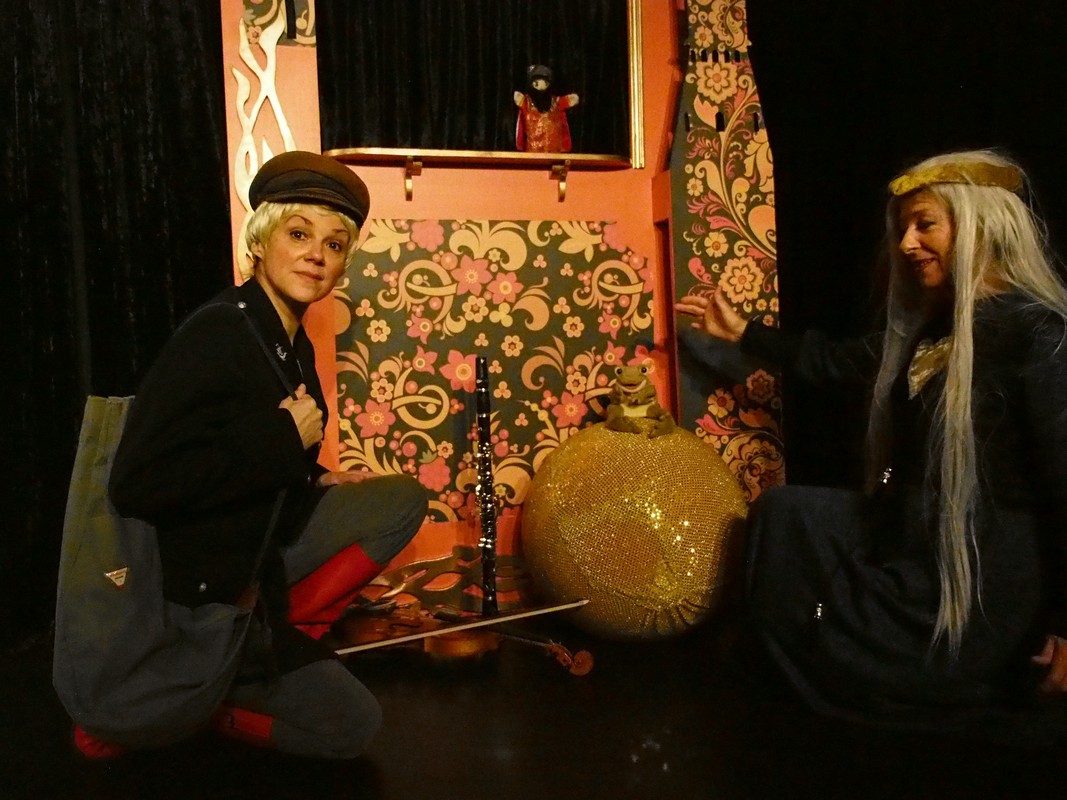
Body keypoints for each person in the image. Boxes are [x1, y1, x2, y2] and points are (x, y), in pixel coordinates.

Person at [676, 150, 1067, 735]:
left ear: (980, 226)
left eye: (925, 224)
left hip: (980, 582)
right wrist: (744, 333)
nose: (907, 244)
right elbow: (836, 362)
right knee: (786, 513)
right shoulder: (937, 330)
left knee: (825, 663)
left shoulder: (1039, 334)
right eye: (904, 228)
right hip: (914, 543)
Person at [81, 151, 427, 759]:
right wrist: (281, 440)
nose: (317, 255)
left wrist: (314, 475)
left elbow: (245, 444)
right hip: (203, 595)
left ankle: (268, 642)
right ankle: (194, 701)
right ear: (261, 241)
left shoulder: (288, 339)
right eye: (299, 234)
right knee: (349, 727)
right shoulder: (218, 331)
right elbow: (138, 483)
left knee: (399, 499)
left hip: (258, 566)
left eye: (334, 244)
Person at [514, 64, 579, 153]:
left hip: (555, 153)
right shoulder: (526, 103)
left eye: (545, 83)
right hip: (532, 153)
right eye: (537, 83)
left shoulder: (557, 103)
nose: (541, 87)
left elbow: (572, 99)